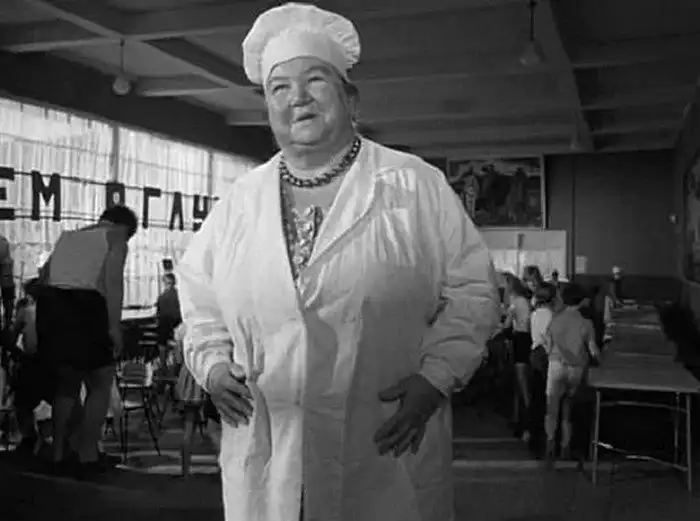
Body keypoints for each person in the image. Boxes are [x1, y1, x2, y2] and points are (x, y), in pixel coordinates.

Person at [177, 4, 500, 521]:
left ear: (351, 99)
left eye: (315, 80)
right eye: (279, 88)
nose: (297, 97)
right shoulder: (240, 201)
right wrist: (212, 365)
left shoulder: (413, 185)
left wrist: (436, 377)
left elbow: (474, 290)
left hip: (384, 440)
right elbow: (199, 296)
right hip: (271, 446)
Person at [36, 205, 137, 477]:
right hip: (87, 306)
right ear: (125, 227)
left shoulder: (68, 237)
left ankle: (58, 451)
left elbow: (44, 277)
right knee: (101, 381)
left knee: (67, 385)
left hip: (52, 307)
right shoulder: (116, 237)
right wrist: (114, 327)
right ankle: (87, 453)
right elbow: (113, 284)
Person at [541, 283, 601, 464]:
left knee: (552, 410)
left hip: (556, 365)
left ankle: (550, 443)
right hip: (576, 369)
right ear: (581, 301)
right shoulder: (586, 323)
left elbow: (548, 345)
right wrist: (602, 362)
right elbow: (593, 350)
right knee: (568, 409)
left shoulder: (555, 320)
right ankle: (565, 447)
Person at [503, 276, 533, 442]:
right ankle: (521, 421)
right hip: (527, 340)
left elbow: (507, 325)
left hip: (520, 341)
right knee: (523, 384)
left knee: (522, 385)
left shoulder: (515, 303)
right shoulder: (525, 301)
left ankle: (526, 425)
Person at [0, 234, 15, 329]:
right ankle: (8, 323)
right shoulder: (4, 241)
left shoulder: (3, 241)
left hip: (6, 273)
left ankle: (8, 322)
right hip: (6, 274)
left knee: (8, 299)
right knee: (8, 300)